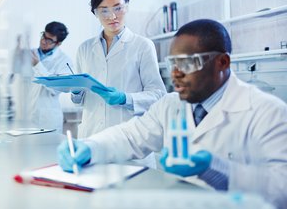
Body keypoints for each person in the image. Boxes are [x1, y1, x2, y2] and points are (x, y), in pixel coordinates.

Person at [58, 19, 287, 209]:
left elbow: (282, 189)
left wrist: (218, 171)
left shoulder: (268, 112)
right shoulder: (171, 104)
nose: (176, 74)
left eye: (187, 63)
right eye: (173, 63)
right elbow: (130, 135)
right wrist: (90, 147)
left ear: (222, 62)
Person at [72, 0, 166, 139]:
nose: (112, 16)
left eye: (118, 8)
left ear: (127, 6)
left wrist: (125, 98)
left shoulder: (142, 45)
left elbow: (158, 94)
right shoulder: (85, 49)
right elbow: (79, 101)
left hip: (129, 137)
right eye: (104, 10)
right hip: (92, 136)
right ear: (95, 13)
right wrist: (75, 92)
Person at [13, 21, 73, 134]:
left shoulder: (64, 62)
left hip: (47, 119)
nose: (43, 41)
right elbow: (15, 71)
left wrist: (37, 65)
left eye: (49, 40)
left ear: (58, 43)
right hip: (25, 115)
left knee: (47, 150)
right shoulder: (30, 54)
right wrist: (17, 51)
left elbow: (57, 88)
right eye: (43, 36)